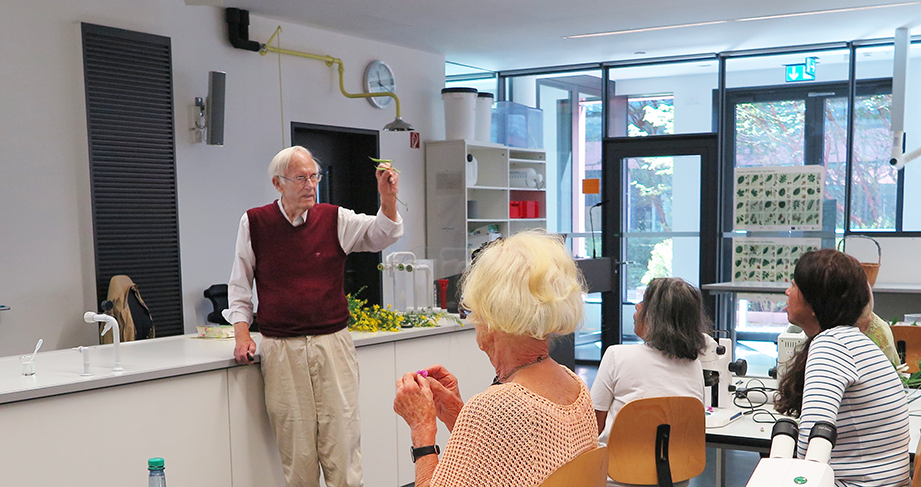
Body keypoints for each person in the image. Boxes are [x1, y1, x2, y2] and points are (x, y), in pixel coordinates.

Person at [226, 145, 403, 487]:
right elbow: (240, 286)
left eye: (314, 177)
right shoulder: (255, 222)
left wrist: (387, 198)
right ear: (278, 184)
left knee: (343, 444)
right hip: (281, 349)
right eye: (301, 178)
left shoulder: (335, 218)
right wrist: (242, 334)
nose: (311, 185)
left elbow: (383, 233)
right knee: (299, 455)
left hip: (332, 345)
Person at [393, 231, 598, 487]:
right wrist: (458, 412)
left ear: (493, 316)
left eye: (472, 309)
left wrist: (421, 428)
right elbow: (507, 458)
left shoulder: (497, 406)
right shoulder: (574, 385)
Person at [775, 249, 909, 487]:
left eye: (794, 286)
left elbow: (811, 448)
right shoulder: (854, 340)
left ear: (815, 303)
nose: (787, 292)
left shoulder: (831, 346)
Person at [590, 277, 709, 487]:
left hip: (617, 478)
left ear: (656, 316)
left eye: (644, 301)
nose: (637, 306)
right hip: (676, 478)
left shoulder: (617, 356)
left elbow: (592, 427)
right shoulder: (694, 365)